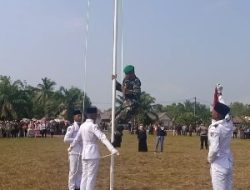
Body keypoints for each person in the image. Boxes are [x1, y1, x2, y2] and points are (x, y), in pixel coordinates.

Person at [68, 106, 119, 190]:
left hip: (84, 154)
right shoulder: (93, 126)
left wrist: (71, 147)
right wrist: (112, 149)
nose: (97, 116)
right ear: (93, 115)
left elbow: (77, 138)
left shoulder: (82, 126)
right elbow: (102, 137)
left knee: (84, 176)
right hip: (92, 154)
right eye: (96, 114)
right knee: (91, 177)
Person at [112, 65, 141, 146]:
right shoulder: (126, 80)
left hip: (132, 106)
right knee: (114, 119)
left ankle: (116, 141)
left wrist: (127, 91)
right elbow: (122, 89)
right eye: (125, 74)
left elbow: (137, 93)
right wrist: (115, 81)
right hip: (125, 105)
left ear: (132, 73)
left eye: (127, 74)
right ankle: (117, 140)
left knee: (116, 121)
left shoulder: (136, 81)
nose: (125, 76)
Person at [208, 101, 233, 190]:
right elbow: (224, 109)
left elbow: (214, 149)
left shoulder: (215, 129)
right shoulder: (229, 124)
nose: (212, 112)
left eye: (214, 111)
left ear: (218, 114)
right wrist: (220, 94)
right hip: (228, 162)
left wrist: (210, 159)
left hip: (218, 165)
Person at [64, 110, 82, 190]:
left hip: (81, 151)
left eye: (80, 116)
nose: (80, 117)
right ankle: (71, 187)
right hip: (74, 151)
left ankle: (78, 186)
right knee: (73, 170)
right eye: (78, 116)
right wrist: (76, 139)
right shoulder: (71, 127)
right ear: (74, 117)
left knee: (80, 170)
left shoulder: (82, 126)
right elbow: (66, 139)